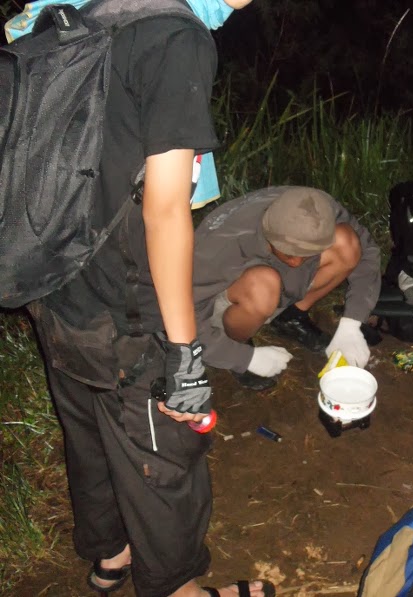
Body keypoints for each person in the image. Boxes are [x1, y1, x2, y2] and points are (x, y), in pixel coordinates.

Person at [18, 0, 268, 595]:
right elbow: (164, 209)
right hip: (126, 307)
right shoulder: (174, 37)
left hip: (54, 284)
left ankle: (110, 556)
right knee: (164, 452)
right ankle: (176, 586)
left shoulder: (86, 12)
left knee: (89, 435)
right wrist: (184, 353)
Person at [192, 186, 381, 390]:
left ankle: (290, 316)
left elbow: (368, 252)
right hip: (233, 295)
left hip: (275, 279)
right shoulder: (219, 245)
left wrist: (352, 323)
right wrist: (243, 358)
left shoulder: (319, 209)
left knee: (346, 242)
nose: (297, 263)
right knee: (262, 285)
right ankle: (239, 340)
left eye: (306, 254)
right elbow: (183, 318)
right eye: (289, 253)